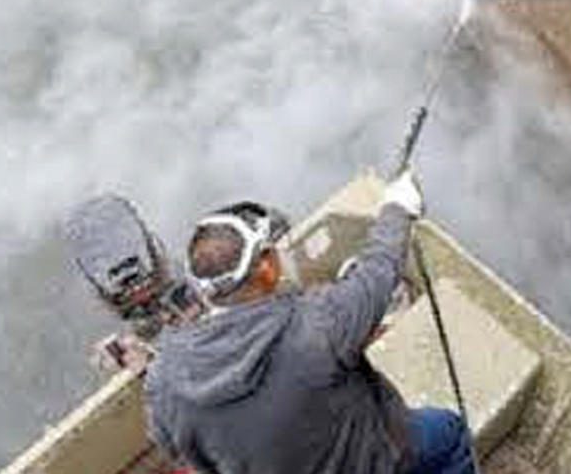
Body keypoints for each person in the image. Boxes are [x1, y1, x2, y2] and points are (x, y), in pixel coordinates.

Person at [144, 171, 475, 474]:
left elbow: (176, 447)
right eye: (269, 251)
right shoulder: (318, 324)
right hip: (377, 462)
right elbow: (379, 268)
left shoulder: (162, 381)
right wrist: (398, 206)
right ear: (266, 268)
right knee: (451, 432)